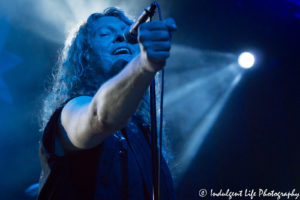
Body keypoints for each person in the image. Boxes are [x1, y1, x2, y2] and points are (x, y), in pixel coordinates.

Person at [38, 7, 177, 200]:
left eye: (128, 32)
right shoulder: (71, 111)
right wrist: (146, 65)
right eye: (104, 34)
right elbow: (98, 117)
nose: (122, 37)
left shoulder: (143, 132)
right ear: (87, 56)